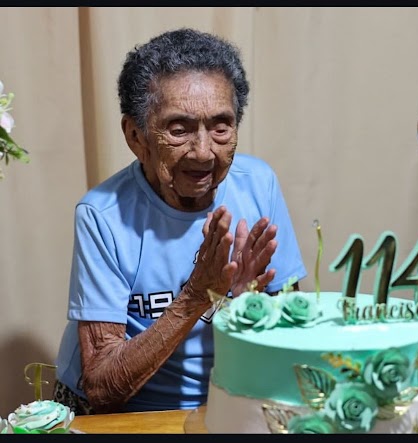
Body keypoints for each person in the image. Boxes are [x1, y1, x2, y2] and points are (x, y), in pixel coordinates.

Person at [53, 28, 307, 415]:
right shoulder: (101, 215)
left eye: (221, 126)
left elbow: (294, 331)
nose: (204, 152)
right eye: (179, 129)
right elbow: (102, 384)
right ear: (136, 137)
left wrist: (245, 303)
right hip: (128, 412)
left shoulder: (259, 184)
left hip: (227, 401)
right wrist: (198, 294)